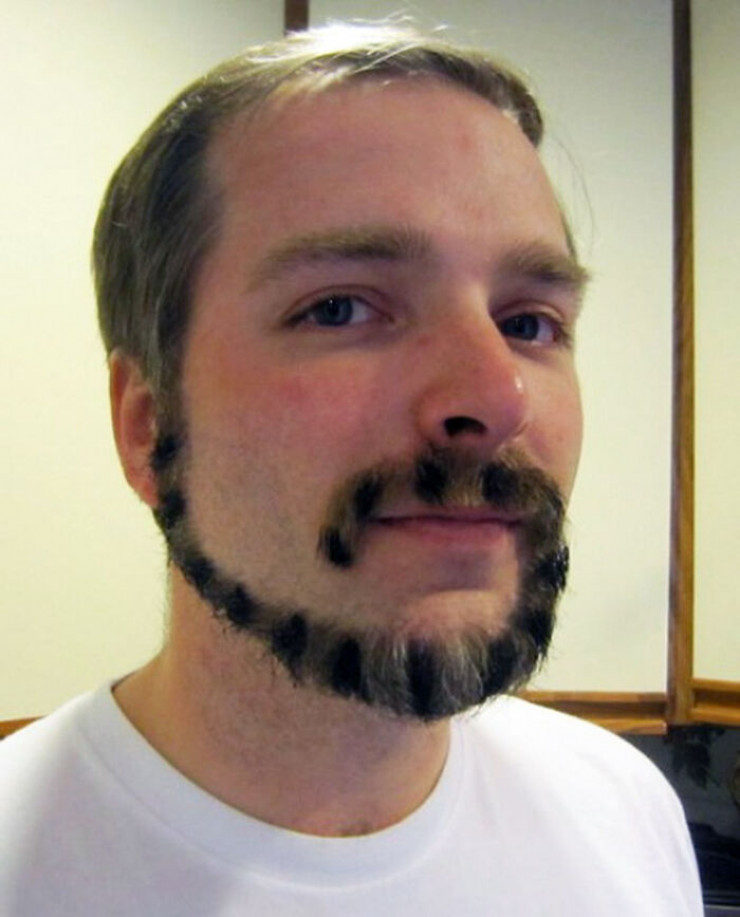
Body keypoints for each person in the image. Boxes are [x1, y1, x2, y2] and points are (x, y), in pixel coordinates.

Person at [0, 22, 702, 916]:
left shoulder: (622, 813)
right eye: (339, 308)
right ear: (147, 425)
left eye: (529, 322)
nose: (498, 395)